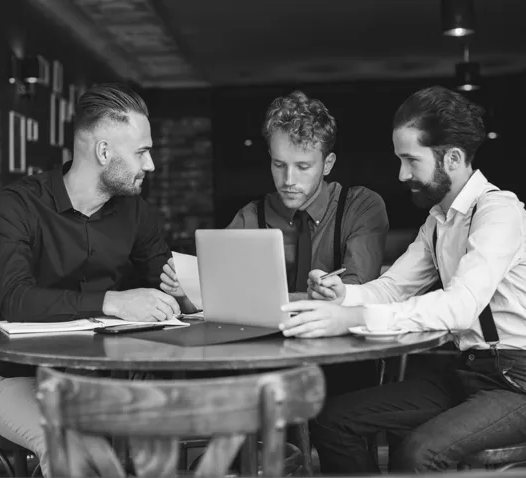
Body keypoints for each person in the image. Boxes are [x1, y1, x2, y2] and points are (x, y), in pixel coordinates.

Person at [281, 85, 526, 473]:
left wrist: (354, 318)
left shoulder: (499, 212)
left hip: (516, 381)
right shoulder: (438, 221)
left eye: (411, 160)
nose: (401, 174)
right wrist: (343, 296)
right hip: (469, 372)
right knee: (333, 419)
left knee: (417, 452)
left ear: (453, 158)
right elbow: (393, 287)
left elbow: (461, 306)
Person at [0, 83, 192, 476]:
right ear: (103, 152)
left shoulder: (136, 213)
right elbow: (16, 299)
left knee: (175, 438)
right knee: (75, 454)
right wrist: (112, 301)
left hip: (104, 379)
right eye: (141, 152)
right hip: (14, 375)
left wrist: (182, 293)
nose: (151, 165)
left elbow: (167, 288)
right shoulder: (16, 206)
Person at [160, 90, 389, 395]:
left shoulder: (361, 206)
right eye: (279, 165)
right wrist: (186, 293)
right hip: (263, 365)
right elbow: (218, 301)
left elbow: (357, 291)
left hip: (342, 365)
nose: (288, 180)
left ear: (328, 163)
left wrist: (253, 304)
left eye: (303, 167)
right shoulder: (251, 216)